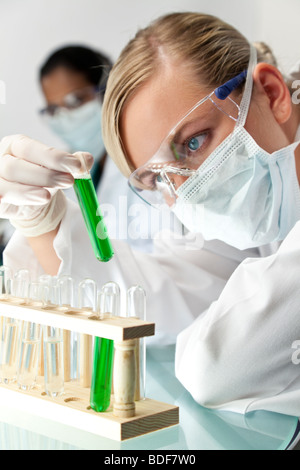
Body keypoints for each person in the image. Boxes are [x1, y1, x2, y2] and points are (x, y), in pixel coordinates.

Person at [1, 12, 299, 416]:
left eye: (194, 141)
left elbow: (217, 368)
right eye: (158, 179)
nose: (187, 188)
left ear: (271, 92)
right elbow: (157, 296)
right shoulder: (256, 209)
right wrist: (43, 223)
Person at [39, 45, 171, 252]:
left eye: (75, 100)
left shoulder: (149, 161)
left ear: (106, 88)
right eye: (54, 109)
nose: (66, 117)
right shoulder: (64, 176)